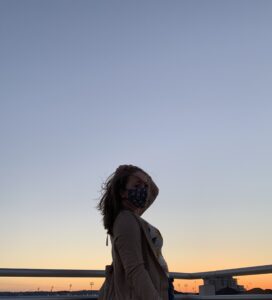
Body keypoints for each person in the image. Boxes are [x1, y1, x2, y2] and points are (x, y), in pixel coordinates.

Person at [97, 164, 175, 300]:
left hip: (158, 288)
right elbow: (135, 270)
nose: (143, 190)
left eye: (145, 186)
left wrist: (138, 175)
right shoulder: (125, 220)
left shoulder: (133, 216)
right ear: (122, 192)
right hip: (146, 293)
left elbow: (154, 191)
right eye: (137, 185)